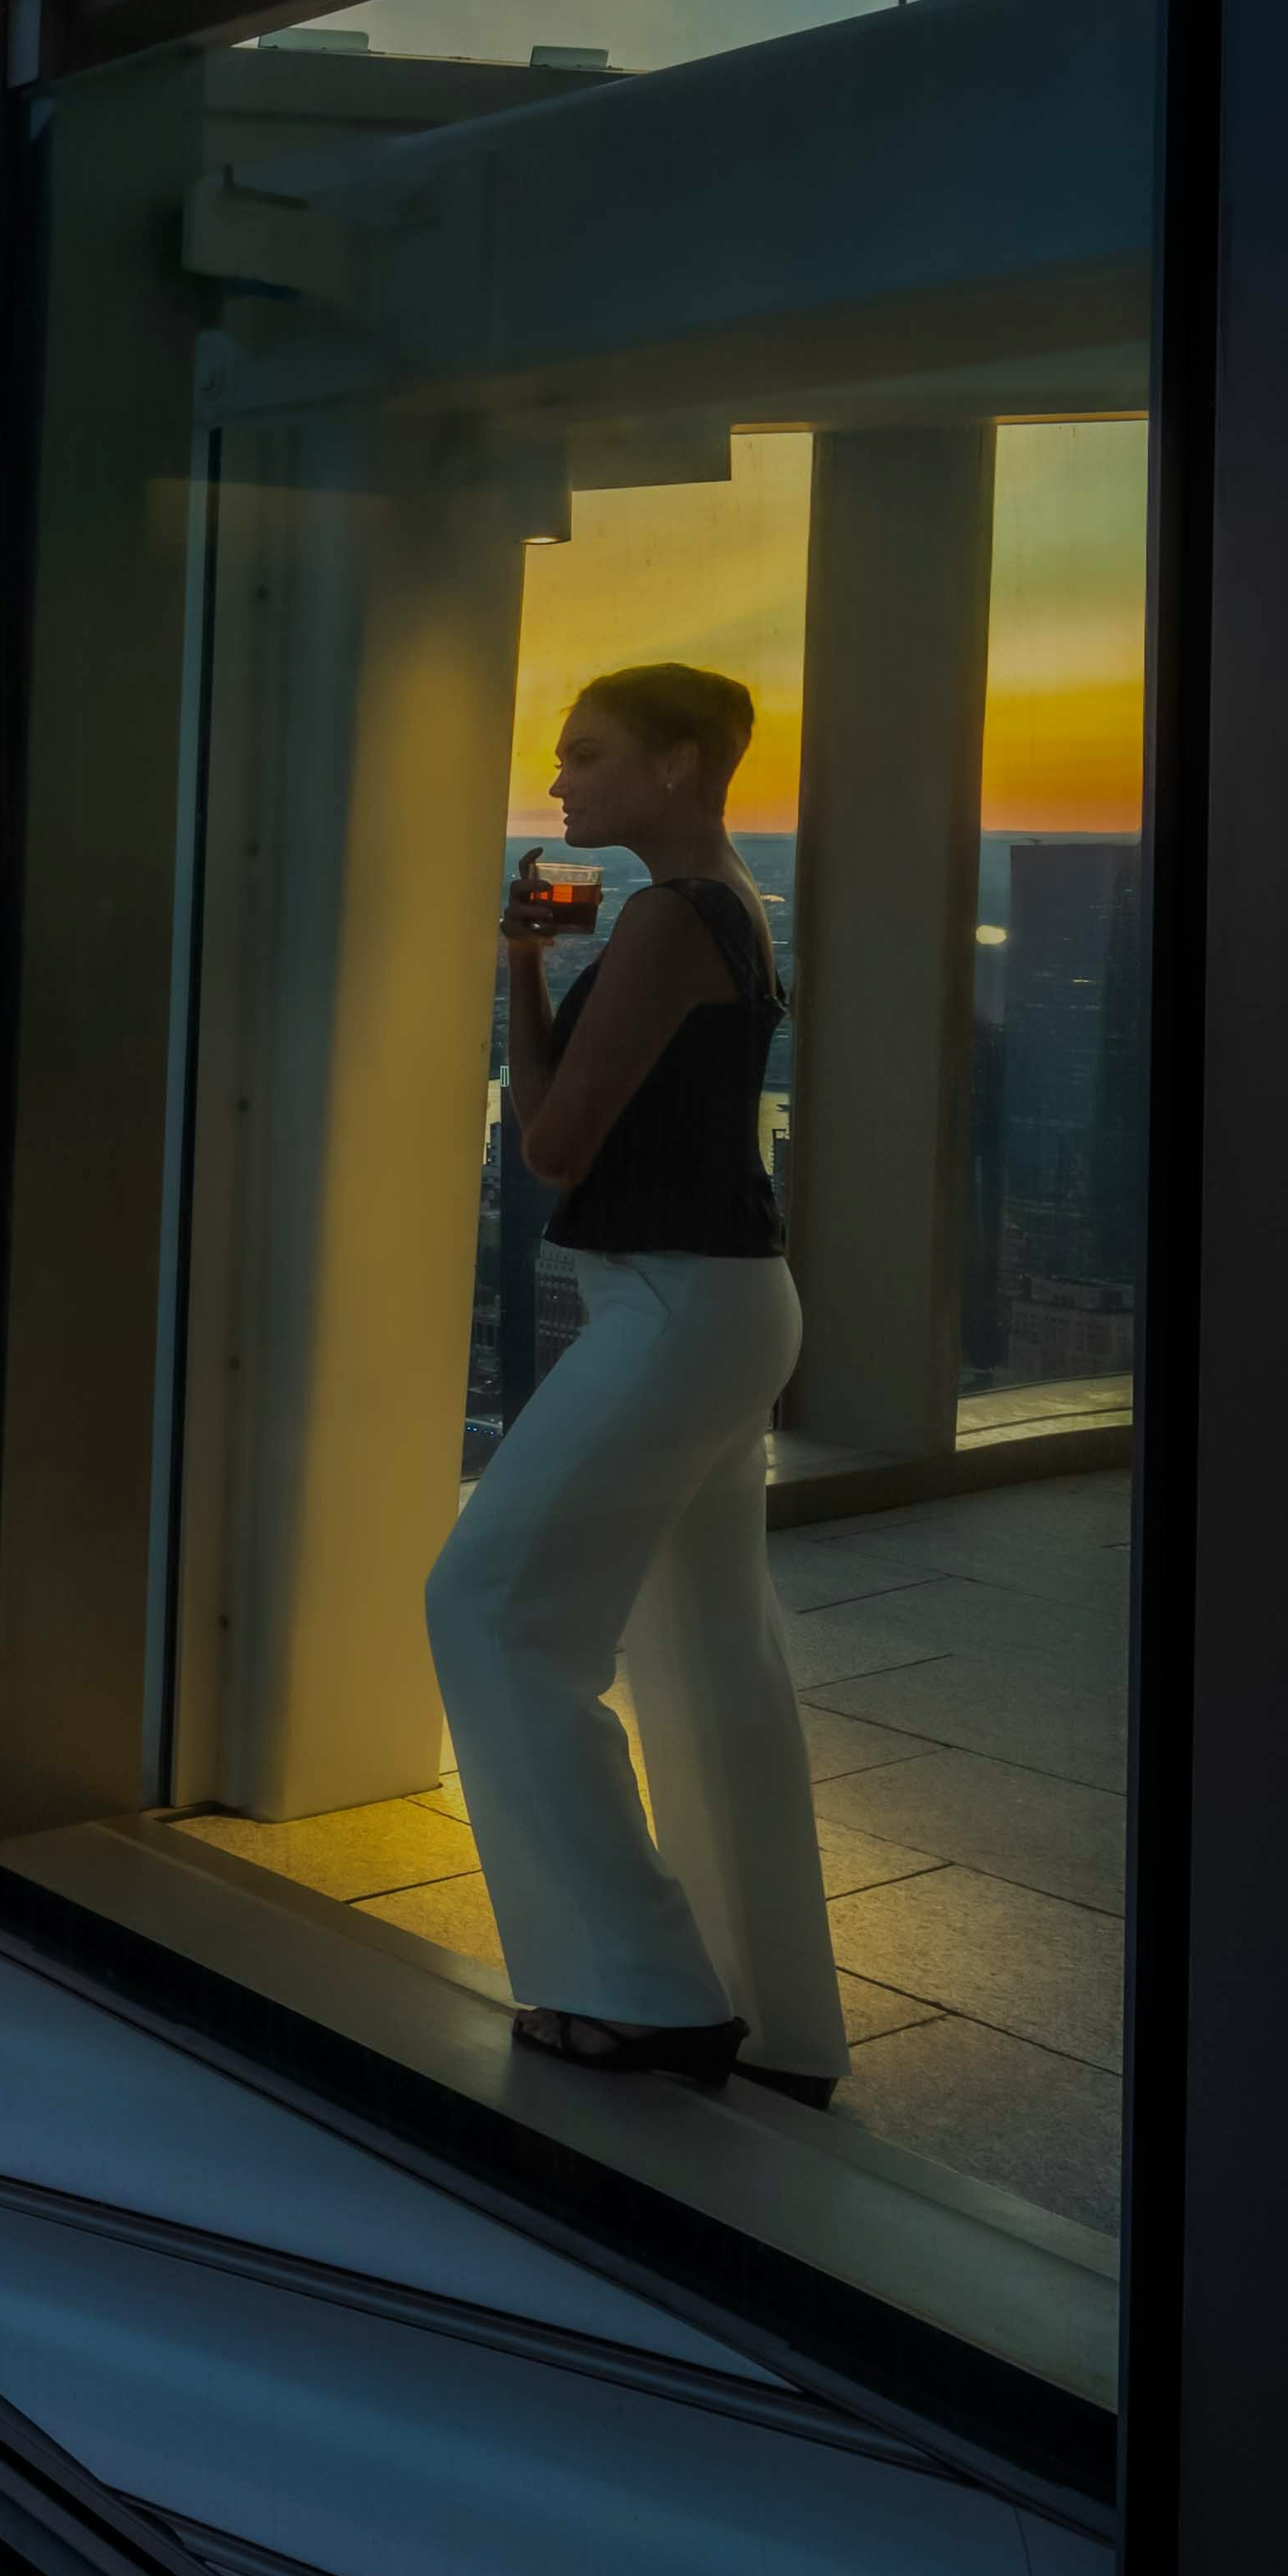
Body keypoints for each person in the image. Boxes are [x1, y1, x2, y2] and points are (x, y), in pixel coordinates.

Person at [425, 661, 848, 2102]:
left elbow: (547, 1147)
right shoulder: (735, 899)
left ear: (678, 764)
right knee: (716, 1655)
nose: (560, 782)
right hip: (733, 1303)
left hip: (672, 1306)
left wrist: (522, 980)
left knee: (486, 1607)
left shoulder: (672, 919)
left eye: (591, 755)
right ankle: (780, 2016)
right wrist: (537, 966)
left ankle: (641, 1989)